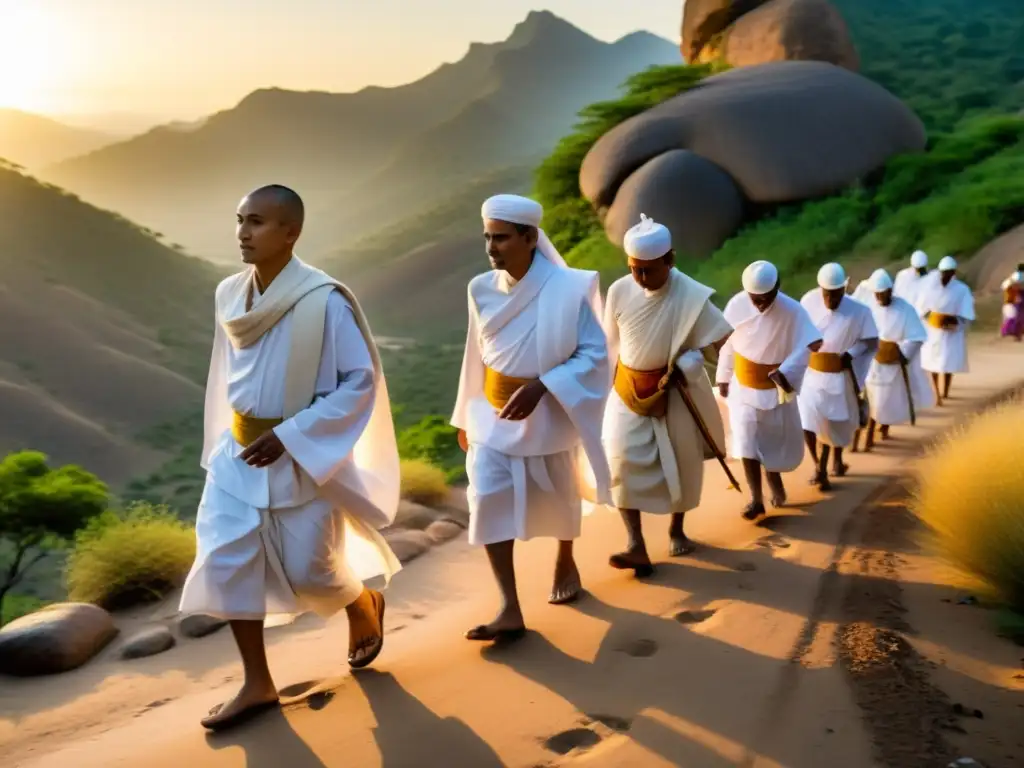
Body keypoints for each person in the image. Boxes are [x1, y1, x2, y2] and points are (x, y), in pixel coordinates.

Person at [179, 185, 400, 731]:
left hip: (302, 452)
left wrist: (295, 435)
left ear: (290, 232)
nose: (242, 234)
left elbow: (358, 382)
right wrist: (223, 441)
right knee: (227, 561)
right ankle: (258, 683)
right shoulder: (229, 293)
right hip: (239, 454)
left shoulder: (323, 300)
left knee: (312, 570)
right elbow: (224, 372)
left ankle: (362, 604)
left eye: (256, 222)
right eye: (239, 221)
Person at [451, 193, 611, 642]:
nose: (491, 247)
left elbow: (595, 354)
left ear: (529, 237)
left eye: (501, 238)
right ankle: (509, 607)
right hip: (492, 417)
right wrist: (466, 413)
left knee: (560, 498)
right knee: (486, 501)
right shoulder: (479, 288)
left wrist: (544, 386)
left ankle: (565, 559)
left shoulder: (568, 288)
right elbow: (474, 354)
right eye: (487, 237)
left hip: (548, 412)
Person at [600, 214, 732, 577]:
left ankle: (677, 530)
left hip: (674, 391)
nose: (640, 278)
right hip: (627, 390)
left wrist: (698, 366)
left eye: (648, 270)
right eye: (634, 269)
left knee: (681, 464)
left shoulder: (691, 296)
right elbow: (609, 343)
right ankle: (635, 545)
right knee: (620, 461)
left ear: (669, 260)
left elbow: (722, 341)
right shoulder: (619, 291)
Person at [715, 261, 822, 521]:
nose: (761, 304)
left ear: (777, 287)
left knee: (771, 442)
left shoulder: (793, 310)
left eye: (766, 298)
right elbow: (728, 343)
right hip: (743, 388)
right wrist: (724, 375)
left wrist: (786, 371)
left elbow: (814, 342)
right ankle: (756, 498)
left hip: (775, 388)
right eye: (756, 299)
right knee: (746, 441)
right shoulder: (737, 305)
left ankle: (775, 482)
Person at [798, 263, 878, 489]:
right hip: (811, 376)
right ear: (819, 289)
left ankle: (835, 461)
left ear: (844, 289)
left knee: (834, 426)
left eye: (836, 293)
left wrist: (851, 354)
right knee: (808, 423)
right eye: (827, 293)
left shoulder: (860, 311)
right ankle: (818, 467)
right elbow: (797, 336)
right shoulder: (807, 302)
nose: (830, 299)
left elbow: (871, 341)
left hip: (840, 377)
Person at [860, 268, 934, 450]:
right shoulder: (867, 308)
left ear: (891, 291)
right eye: (877, 294)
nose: (880, 298)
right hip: (872, 362)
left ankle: (882, 427)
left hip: (892, 364)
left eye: (883, 294)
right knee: (872, 399)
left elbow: (917, 336)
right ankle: (869, 434)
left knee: (885, 401)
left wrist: (901, 353)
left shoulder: (904, 309)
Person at [918, 255, 975, 405]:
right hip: (934, 331)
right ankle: (936, 393)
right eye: (944, 272)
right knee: (933, 363)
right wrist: (933, 318)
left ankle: (945, 391)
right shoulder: (930, 288)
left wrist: (954, 320)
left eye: (949, 272)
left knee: (948, 362)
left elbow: (967, 311)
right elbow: (921, 308)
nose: (946, 275)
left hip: (952, 330)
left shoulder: (961, 289)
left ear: (953, 272)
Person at [999, 266, 1024, 342]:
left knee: (1017, 317)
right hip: (1016, 300)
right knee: (1017, 317)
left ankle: (1014, 334)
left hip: (1016, 300)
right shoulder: (1016, 277)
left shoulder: (1013, 277)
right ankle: (1014, 334)